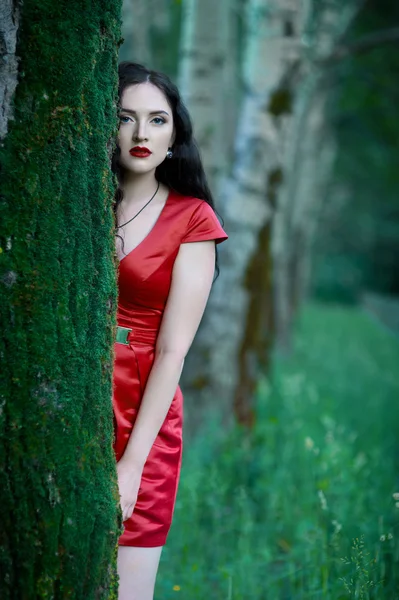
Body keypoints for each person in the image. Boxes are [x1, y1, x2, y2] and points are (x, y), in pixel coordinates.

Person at [111, 62, 228, 600]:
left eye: (156, 120)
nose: (141, 134)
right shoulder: (81, 202)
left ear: (175, 132)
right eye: (125, 118)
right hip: (65, 393)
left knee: (128, 586)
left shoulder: (192, 217)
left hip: (141, 407)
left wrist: (133, 465)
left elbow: (173, 349)